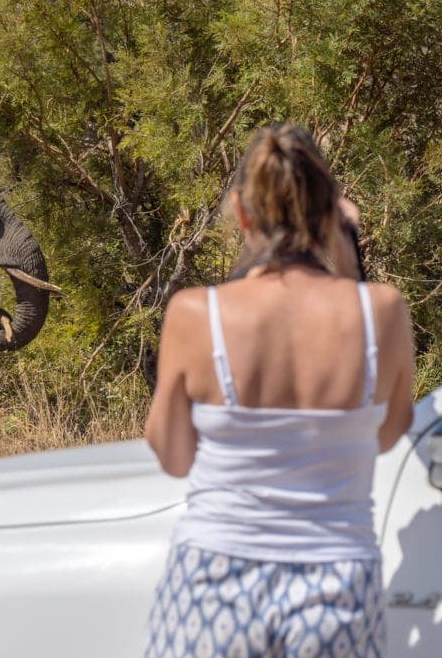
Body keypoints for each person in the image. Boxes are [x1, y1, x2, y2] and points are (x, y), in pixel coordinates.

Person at [143, 123, 415, 658]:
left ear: (242, 214)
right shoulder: (380, 311)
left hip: (214, 579)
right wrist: (348, 251)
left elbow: (174, 457)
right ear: (331, 214)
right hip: (338, 582)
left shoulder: (197, 314)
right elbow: (383, 436)